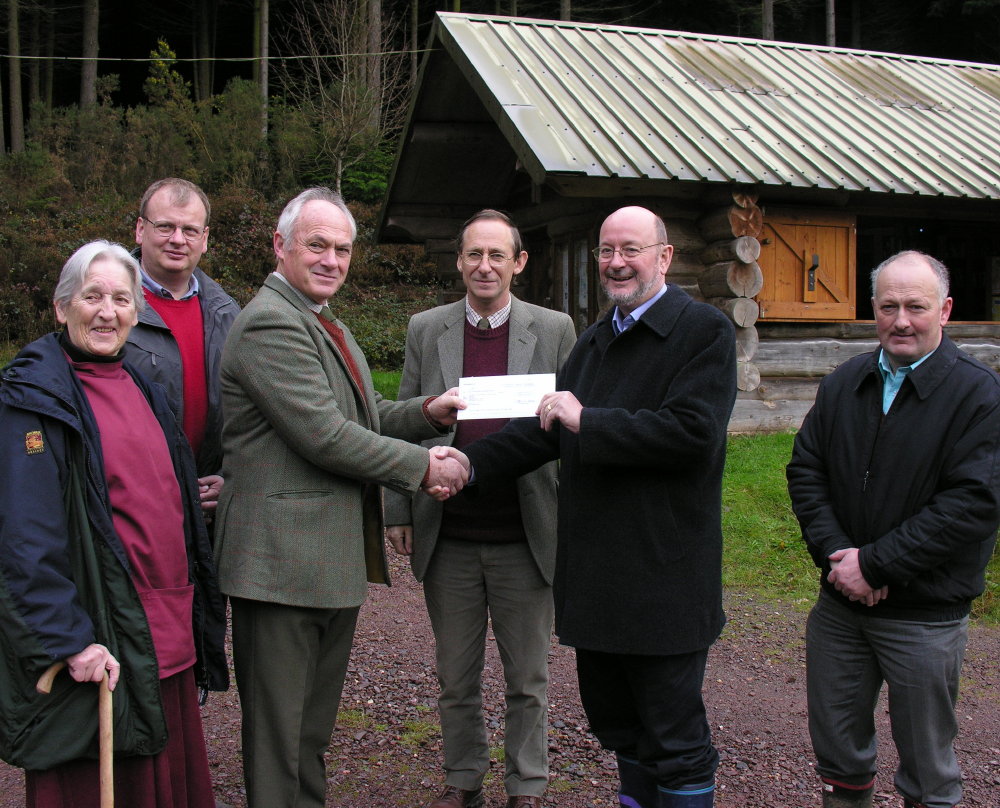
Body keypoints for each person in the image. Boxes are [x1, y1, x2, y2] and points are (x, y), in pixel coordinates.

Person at [459, 206, 737, 808]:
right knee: (619, 727)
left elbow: (693, 434)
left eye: (631, 249)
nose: (616, 262)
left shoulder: (703, 332)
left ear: (664, 257)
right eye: (607, 250)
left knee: (675, 735)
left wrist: (590, 420)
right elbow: (544, 429)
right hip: (597, 579)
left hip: (664, 577)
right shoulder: (595, 340)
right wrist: (469, 466)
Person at [214, 187, 469, 808]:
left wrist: (425, 414)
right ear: (281, 246)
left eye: (343, 249)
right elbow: (324, 435)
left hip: (323, 564)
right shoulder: (271, 322)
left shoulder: (324, 320)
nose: (331, 259)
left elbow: (364, 415)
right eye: (317, 245)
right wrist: (423, 467)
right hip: (277, 567)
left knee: (309, 734)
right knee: (280, 740)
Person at [0, 240, 228, 807]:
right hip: (98, 636)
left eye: (122, 299)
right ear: (61, 307)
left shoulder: (143, 386)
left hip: (162, 634)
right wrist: (69, 641)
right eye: (92, 296)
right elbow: (25, 537)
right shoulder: (35, 399)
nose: (108, 311)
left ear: (137, 312)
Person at [786, 250, 1000, 808]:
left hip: (924, 615)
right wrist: (840, 557)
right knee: (838, 754)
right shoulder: (845, 383)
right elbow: (806, 470)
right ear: (872, 309)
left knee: (929, 768)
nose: (901, 320)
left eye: (916, 307)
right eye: (888, 306)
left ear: (945, 310)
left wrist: (877, 565)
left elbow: (973, 502)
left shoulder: (980, 396)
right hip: (841, 608)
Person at [384, 210, 577, 808]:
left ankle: (527, 786)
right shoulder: (427, 328)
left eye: (497, 255)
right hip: (451, 534)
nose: (484, 266)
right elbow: (404, 420)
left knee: (529, 680)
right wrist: (398, 508)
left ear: (519, 262)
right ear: (459, 261)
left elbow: (569, 433)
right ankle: (463, 781)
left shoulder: (554, 329)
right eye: (474, 255)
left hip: (526, 532)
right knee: (456, 678)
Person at [126, 178, 240, 524]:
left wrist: (231, 477)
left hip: (210, 510)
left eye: (190, 230)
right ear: (140, 230)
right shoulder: (110, 310)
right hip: (135, 511)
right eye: (165, 227)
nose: (178, 240)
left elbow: (248, 413)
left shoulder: (228, 313)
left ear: (204, 239)